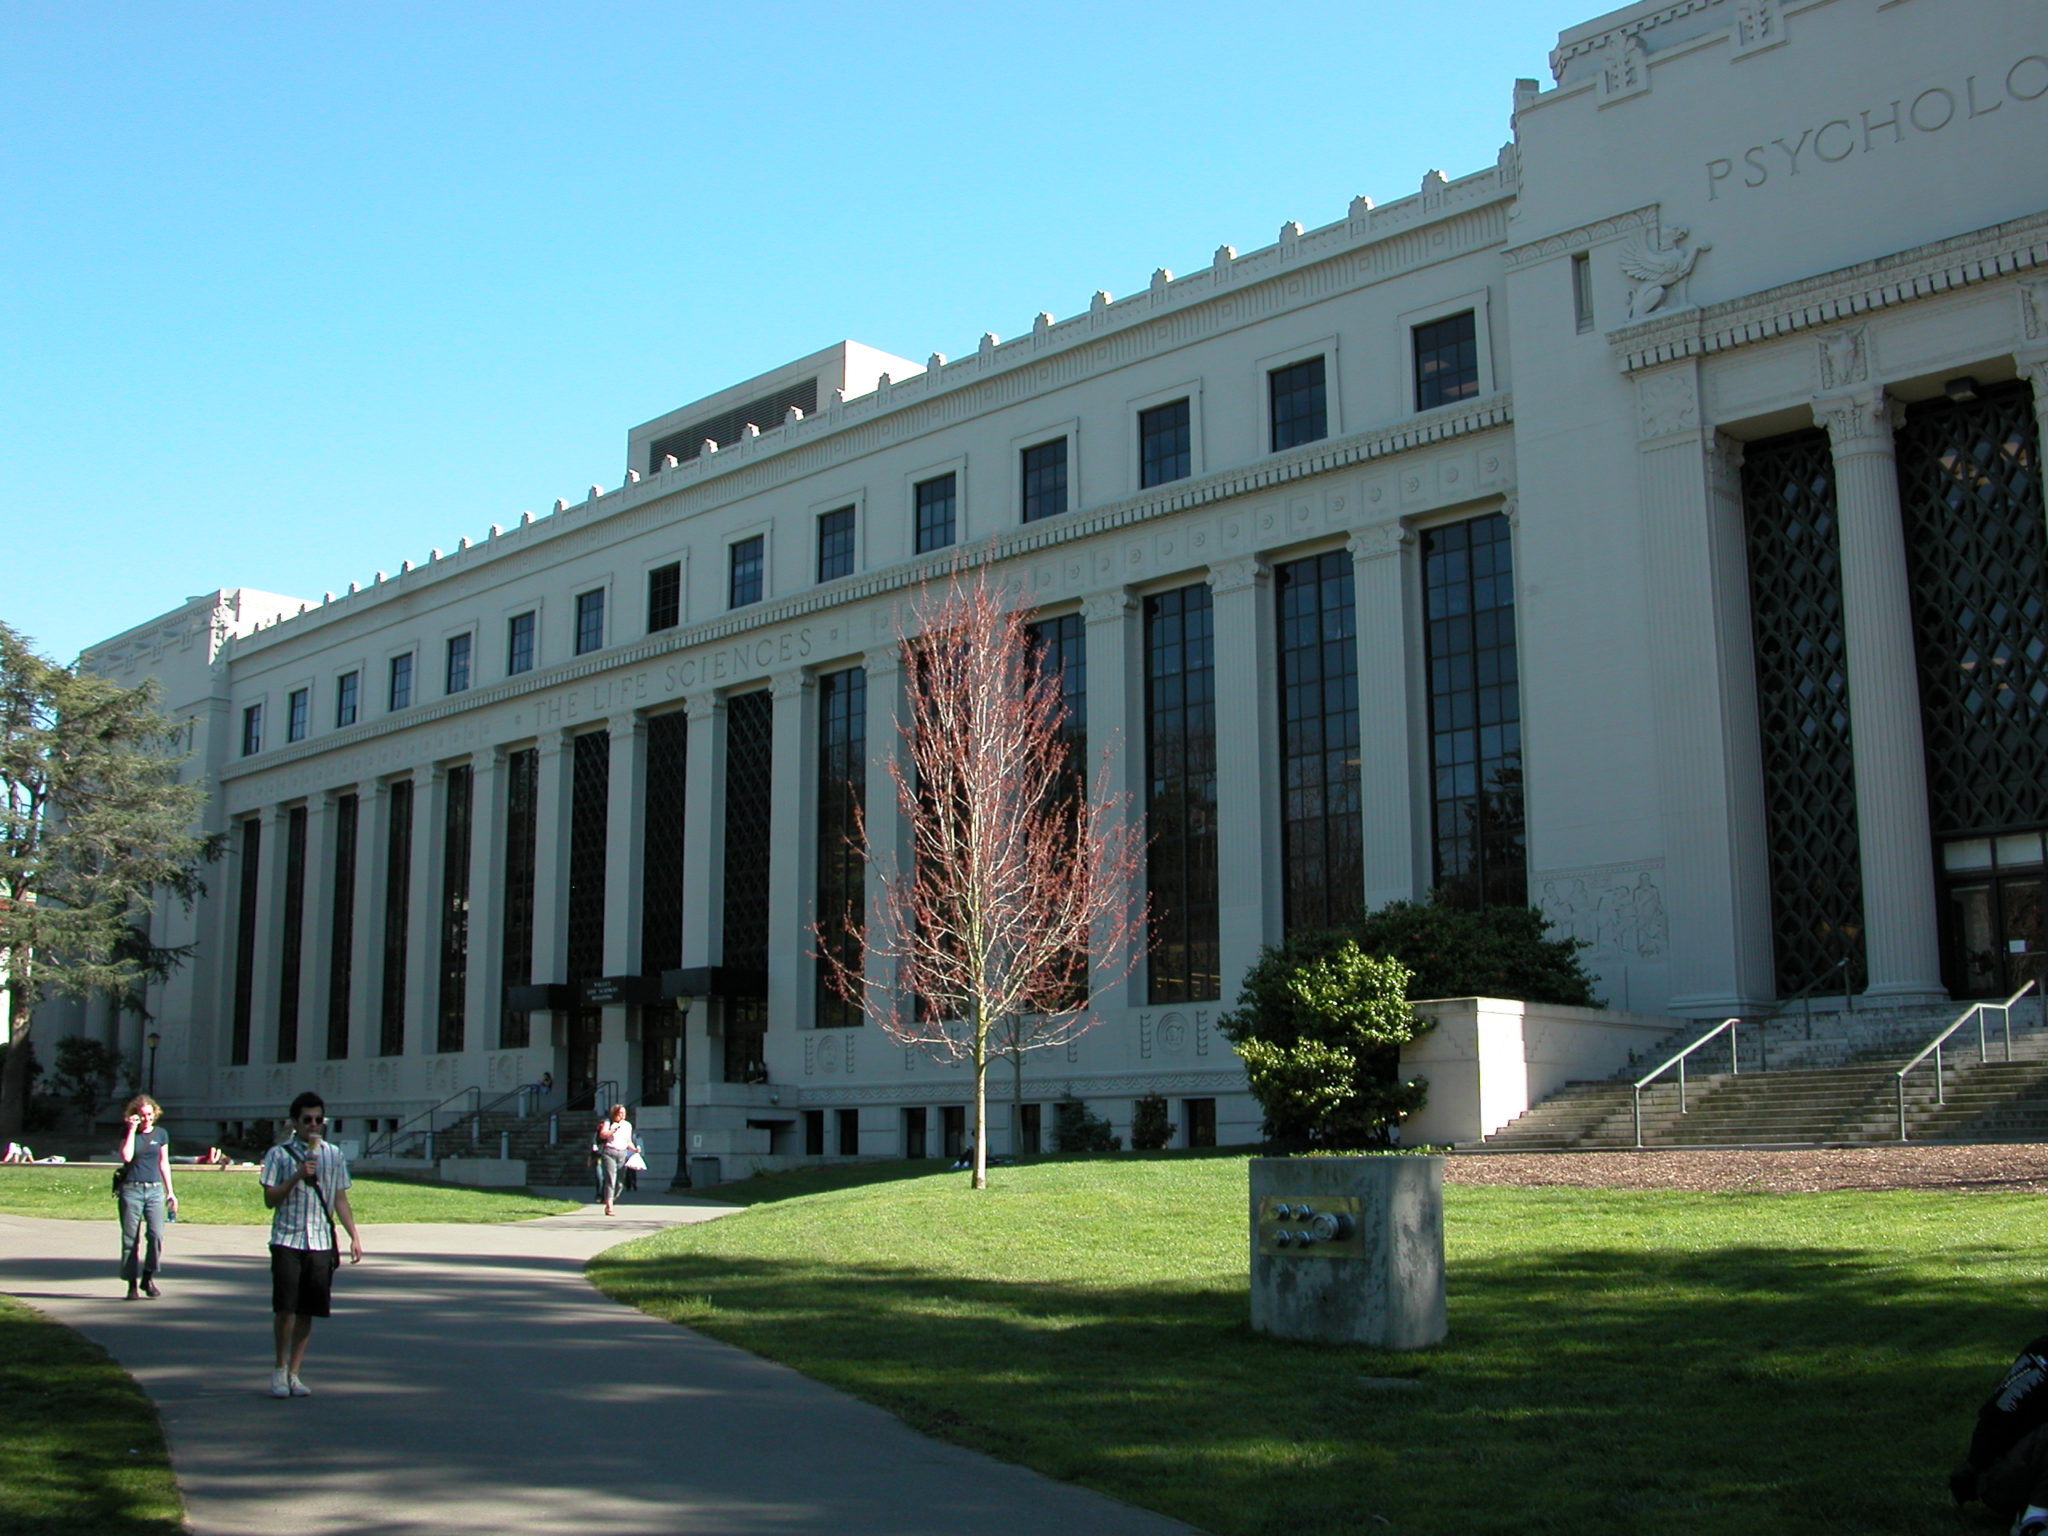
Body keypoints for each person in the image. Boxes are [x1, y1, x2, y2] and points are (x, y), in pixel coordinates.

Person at [260, 1091, 363, 1399]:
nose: (314, 1125)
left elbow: (340, 1198)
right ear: (295, 1122)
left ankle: (295, 1372)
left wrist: (354, 1235)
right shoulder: (278, 1155)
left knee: (308, 1310)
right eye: (307, 1120)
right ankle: (279, 1369)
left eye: (319, 1119)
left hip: (320, 1242)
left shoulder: (334, 1155)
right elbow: (270, 1199)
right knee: (286, 1309)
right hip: (287, 1239)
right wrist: (296, 1175)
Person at [1951, 1334, 2048, 1535]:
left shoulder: (2042, 1347)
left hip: (1996, 1475)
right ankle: (2035, 1518)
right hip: (2001, 1479)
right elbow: (1997, 1423)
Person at [115, 1094, 178, 1299]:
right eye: (142, 1115)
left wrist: (170, 1192)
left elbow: (163, 1163)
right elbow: (126, 1156)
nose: (146, 1118)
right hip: (131, 1190)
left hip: (154, 1190)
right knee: (130, 1239)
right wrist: (132, 1130)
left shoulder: (161, 1134)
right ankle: (131, 1284)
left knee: (156, 1235)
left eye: (150, 1114)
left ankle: (148, 1276)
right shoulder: (129, 1132)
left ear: (155, 1114)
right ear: (135, 1115)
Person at [592, 1102, 638, 1216]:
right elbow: (602, 1134)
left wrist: (634, 1149)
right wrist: (612, 1131)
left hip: (622, 1153)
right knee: (610, 1179)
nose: (623, 1115)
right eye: (620, 1113)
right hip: (609, 1152)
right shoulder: (609, 1122)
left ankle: (611, 1198)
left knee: (620, 1182)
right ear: (615, 1113)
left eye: (624, 1113)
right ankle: (609, 1206)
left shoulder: (627, 1125)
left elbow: (628, 1141)